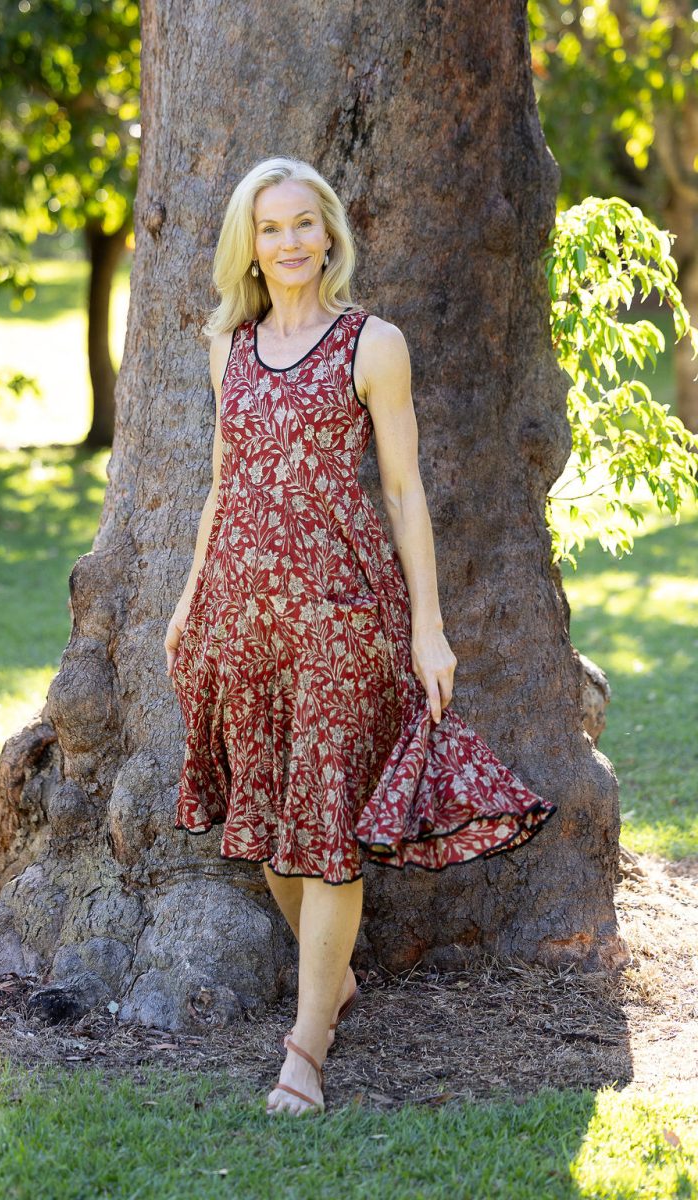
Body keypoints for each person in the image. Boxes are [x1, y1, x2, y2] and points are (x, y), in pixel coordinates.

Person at [164, 156, 557, 1117]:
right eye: (271, 228)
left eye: (305, 224)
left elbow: (403, 490)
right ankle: (327, 975)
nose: (289, 242)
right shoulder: (230, 345)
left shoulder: (371, 344)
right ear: (248, 246)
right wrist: (188, 597)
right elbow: (224, 483)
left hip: (345, 619)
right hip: (242, 619)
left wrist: (430, 630)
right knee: (265, 816)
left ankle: (307, 1046)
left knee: (325, 823)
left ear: (329, 233)